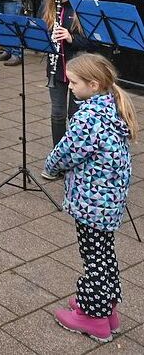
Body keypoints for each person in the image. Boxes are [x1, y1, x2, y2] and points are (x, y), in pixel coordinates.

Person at [44, 54, 136, 344]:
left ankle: (93, 318)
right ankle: (105, 308)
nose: (69, 86)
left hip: (92, 202)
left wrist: (49, 166)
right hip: (109, 201)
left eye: (73, 82)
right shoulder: (111, 106)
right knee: (105, 255)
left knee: (93, 258)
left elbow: (66, 151)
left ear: (93, 85)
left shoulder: (87, 117)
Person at [40, 0, 90, 150]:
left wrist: (71, 38)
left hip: (78, 68)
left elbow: (94, 42)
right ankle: (58, 154)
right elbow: (38, 33)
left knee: (75, 114)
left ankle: (76, 152)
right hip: (56, 69)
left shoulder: (84, 7)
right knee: (57, 113)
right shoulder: (48, 6)